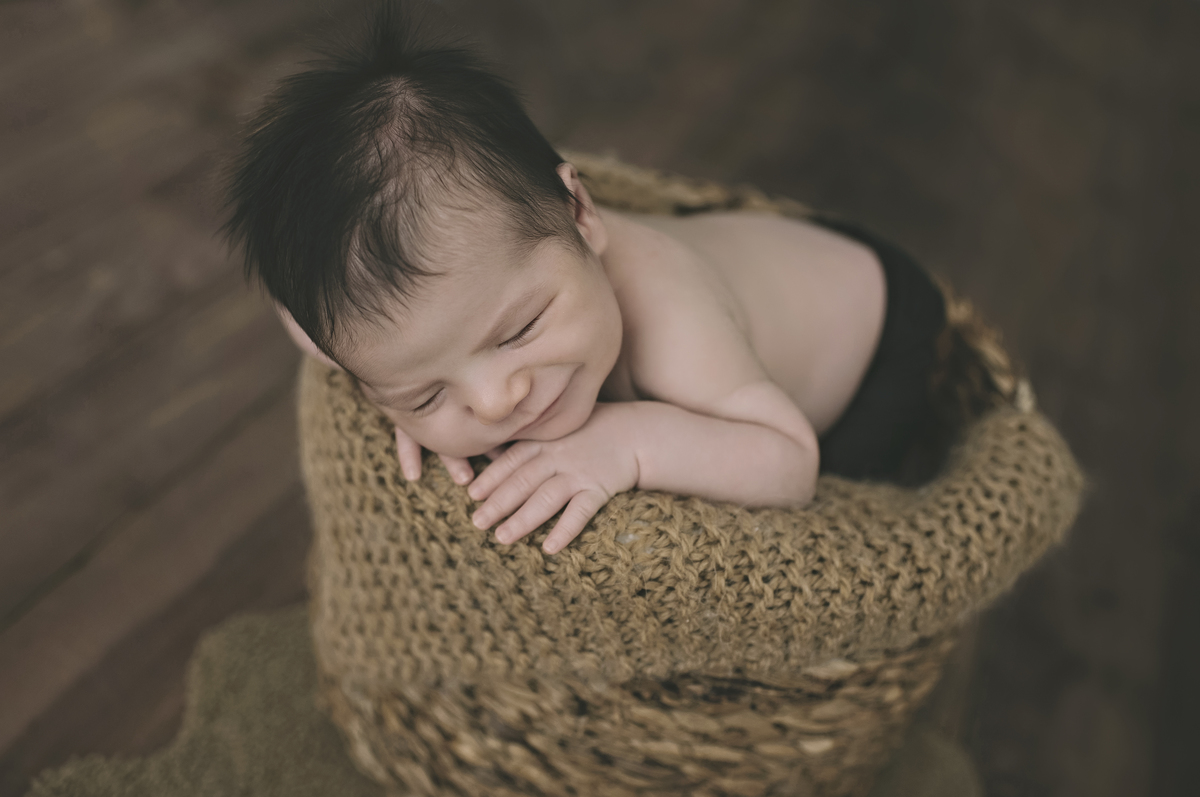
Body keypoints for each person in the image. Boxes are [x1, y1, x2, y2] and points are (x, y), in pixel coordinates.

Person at [224, 1, 946, 555]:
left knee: (848, 506)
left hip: (872, 333)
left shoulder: (672, 323)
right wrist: (396, 390)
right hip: (759, 271)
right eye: (428, 391)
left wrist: (627, 445)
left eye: (520, 330)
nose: (493, 401)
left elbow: (789, 463)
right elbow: (317, 323)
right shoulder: (453, 312)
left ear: (580, 211)